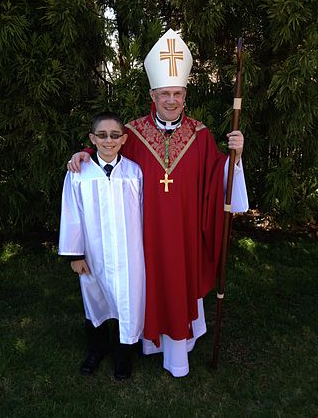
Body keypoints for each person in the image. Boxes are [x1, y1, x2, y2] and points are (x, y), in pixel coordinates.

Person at [68, 29, 248, 377]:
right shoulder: (133, 132)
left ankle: (177, 352)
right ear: (152, 94)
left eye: (176, 93)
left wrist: (234, 157)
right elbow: (109, 152)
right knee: (143, 282)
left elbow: (216, 179)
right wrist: (85, 154)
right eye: (164, 93)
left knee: (177, 281)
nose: (170, 100)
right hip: (143, 235)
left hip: (183, 233)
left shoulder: (200, 134)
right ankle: (145, 342)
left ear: (185, 94)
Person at [59, 112, 145, 381]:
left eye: (114, 135)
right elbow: (71, 213)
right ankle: (95, 351)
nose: (109, 140)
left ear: (124, 139)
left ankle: (123, 357)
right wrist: (76, 254)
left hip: (129, 255)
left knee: (126, 303)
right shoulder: (78, 174)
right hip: (94, 253)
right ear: (92, 139)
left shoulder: (134, 172)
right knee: (95, 301)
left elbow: (144, 214)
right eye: (103, 135)